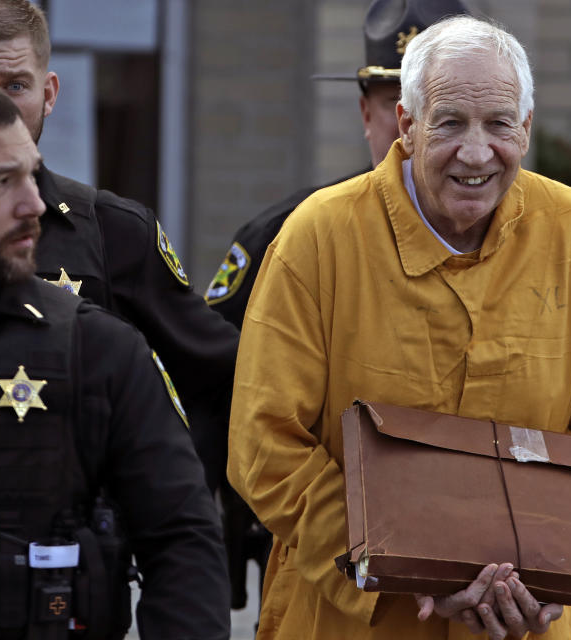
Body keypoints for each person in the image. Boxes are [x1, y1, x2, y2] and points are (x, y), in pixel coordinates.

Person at [228, 14, 571, 640]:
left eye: (499, 123)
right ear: (408, 127)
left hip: (522, 623)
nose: (476, 152)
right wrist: (407, 567)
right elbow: (264, 449)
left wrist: (556, 577)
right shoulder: (318, 236)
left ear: (525, 128)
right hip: (346, 621)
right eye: (449, 123)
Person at [0, 76, 230, 638]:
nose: (33, 204)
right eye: (0, 183)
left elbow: (181, 545)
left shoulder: (98, 350)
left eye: (31, 174)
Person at [207, 0, 473, 613]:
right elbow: (214, 388)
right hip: (328, 583)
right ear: (370, 112)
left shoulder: (546, 243)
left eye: (450, 113)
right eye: (397, 107)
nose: (419, 135)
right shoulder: (293, 235)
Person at [0, 0, 238, 491]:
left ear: (49, 93)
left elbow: (227, 379)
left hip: (63, 547)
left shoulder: (113, 232)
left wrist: (171, 499)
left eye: (15, 86)